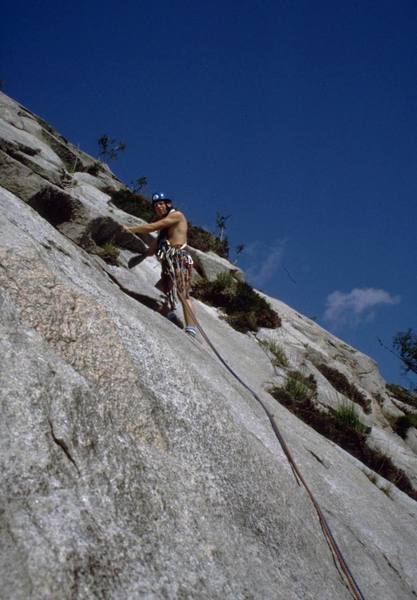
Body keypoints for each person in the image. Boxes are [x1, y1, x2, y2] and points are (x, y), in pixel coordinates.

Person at [124, 193, 198, 337]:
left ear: (168, 204)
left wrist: (130, 229)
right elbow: (151, 251)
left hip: (179, 258)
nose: (158, 206)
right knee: (158, 292)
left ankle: (191, 328)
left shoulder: (176, 216)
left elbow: (152, 226)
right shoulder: (164, 233)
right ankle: (169, 316)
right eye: (156, 205)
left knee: (182, 292)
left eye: (161, 203)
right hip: (168, 264)